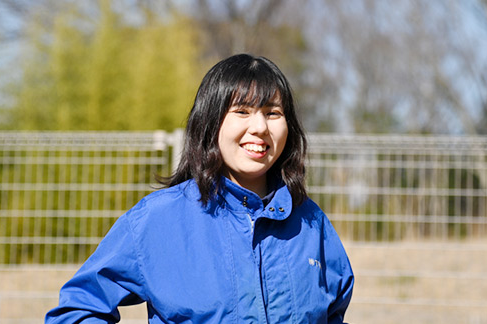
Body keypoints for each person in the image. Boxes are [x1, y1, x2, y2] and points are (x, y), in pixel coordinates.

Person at [45, 53, 354, 324]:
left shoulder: (311, 224)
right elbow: (78, 310)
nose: (260, 127)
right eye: (242, 111)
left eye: (273, 112)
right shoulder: (158, 220)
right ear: (211, 122)